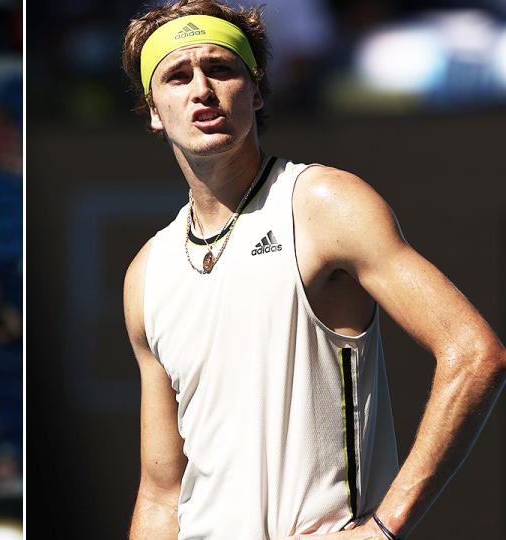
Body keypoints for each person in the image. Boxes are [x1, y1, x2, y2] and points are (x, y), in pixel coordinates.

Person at [120, 1, 505, 539]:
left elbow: (475, 354)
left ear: (255, 92)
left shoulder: (325, 203)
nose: (202, 89)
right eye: (178, 76)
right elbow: (161, 494)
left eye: (222, 69)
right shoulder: (147, 273)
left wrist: (383, 529)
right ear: (155, 110)